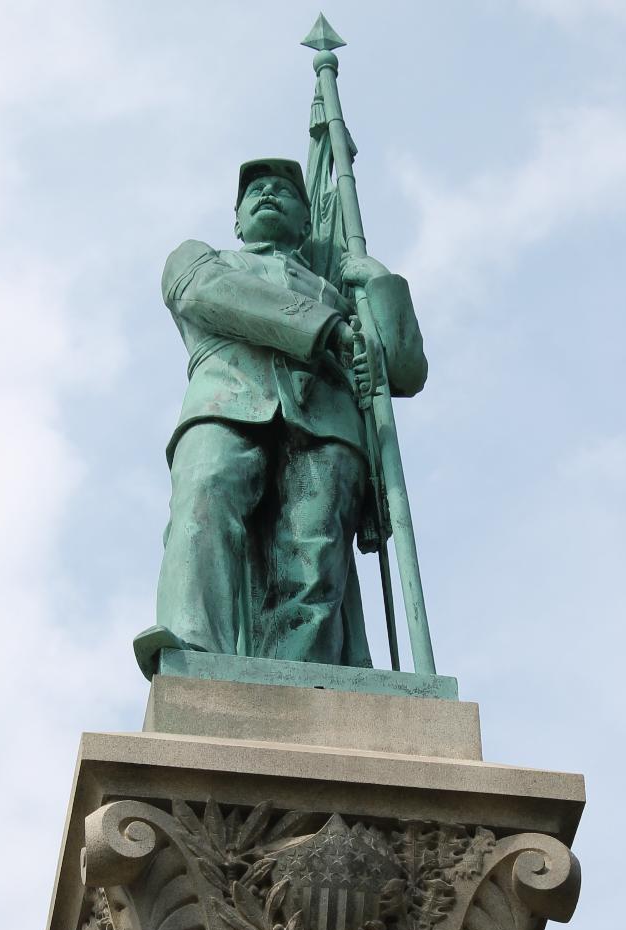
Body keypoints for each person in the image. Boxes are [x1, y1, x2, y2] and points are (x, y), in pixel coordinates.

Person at [148, 157, 427, 671]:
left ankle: (304, 679)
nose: (268, 194)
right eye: (255, 191)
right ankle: (191, 649)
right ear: (236, 220)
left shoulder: (342, 294)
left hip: (325, 420)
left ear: (307, 223)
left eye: (284, 190)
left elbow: (404, 372)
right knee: (205, 495)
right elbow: (203, 293)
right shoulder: (201, 260)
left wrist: (380, 283)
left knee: (314, 556)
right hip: (227, 403)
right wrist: (331, 330)